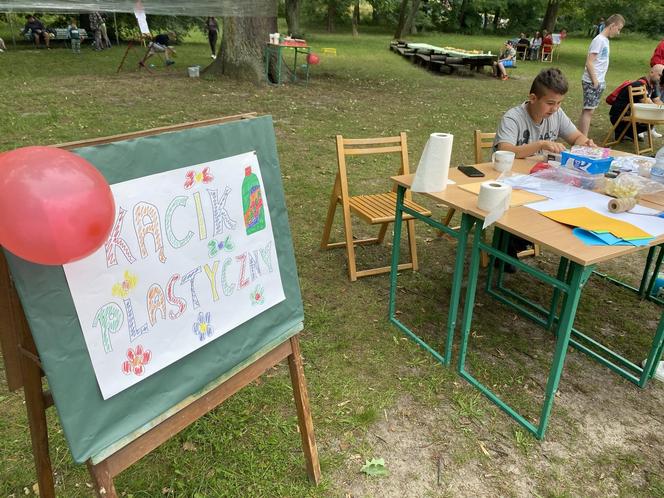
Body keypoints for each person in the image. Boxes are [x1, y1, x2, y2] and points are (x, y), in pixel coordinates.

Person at [494, 68, 596, 269]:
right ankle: (508, 245)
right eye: (550, 103)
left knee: (571, 196)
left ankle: (522, 240)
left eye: (559, 103)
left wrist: (587, 144)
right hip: (509, 181)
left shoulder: (556, 114)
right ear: (533, 98)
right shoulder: (513, 118)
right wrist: (540, 144)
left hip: (540, 181)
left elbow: (576, 137)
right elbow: (505, 150)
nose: (555, 109)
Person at [577, 14, 625, 137]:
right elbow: (589, 62)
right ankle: (583, 139)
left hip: (598, 81)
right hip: (592, 81)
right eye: (618, 29)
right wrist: (595, 81)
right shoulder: (598, 40)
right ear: (612, 25)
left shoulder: (605, 40)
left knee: (589, 110)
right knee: (588, 111)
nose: (618, 32)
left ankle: (581, 138)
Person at [609, 65, 664, 142]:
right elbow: (648, 103)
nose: (661, 78)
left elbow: (657, 101)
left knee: (652, 120)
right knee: (651, 119)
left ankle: (625, 133)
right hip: (619, 117)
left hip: (629, 115)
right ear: (651, 72)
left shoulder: (652, 85)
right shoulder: (639, 85)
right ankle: (622, 132)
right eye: (660, 75)